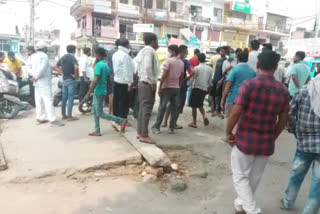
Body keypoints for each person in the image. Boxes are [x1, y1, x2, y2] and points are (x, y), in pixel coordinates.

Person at [226, 51, 290, 214]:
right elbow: (283, 119)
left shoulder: (249, 85)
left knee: (240, 176)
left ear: (257, 65)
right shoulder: (282, 90)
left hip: (245, 140)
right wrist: (273, 136)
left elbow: (235, 112)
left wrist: (228, 132)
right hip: (266, 142)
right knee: (254, 178)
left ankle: (252, 210)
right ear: (275, 67)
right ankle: (240, 205)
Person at [281, 75, 320, 214]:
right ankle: (310, 211)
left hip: (304, 143)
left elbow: (290, 113)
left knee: (297, 174)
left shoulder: (303, 91)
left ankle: (287, 202)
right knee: (318, 182)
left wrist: (294, 130)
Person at [85, 47, 127, 136]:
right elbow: (108, 79)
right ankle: (97, 130)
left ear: (98, 55)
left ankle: (120, 120)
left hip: (98, 92)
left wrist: (88, 93)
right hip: (102, 91)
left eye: (95, 54)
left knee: (100, 113)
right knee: (95, 111)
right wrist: (108, 91)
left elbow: (96, 80)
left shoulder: (99, 65)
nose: (94, 55)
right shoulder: (105, 65)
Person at [151, 45, 184, 134]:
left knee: (162, 107)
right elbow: (181, 77)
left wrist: (160, 86)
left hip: (167, 87)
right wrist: (179, 86)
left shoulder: (168, 61)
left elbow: (164, 74)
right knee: (174, 108)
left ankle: (157, 127)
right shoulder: (181, 62)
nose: (168, 53)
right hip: (176, 88)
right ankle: (171, 128)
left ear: (173, 51)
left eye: (169, 51)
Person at [30, 41, 64, 127]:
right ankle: (52, 120)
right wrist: (37, 76)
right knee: (48, 101)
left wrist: (33, 76)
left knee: (39, 101)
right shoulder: (44, 56)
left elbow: (28, 67)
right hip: (43, 82)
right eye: (46, 48)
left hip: (36, 82)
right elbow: (42, 68)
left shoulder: (32, 56)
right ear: (44, 48)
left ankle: (40, 118)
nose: (47, 49)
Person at [135, 33, 160, 144]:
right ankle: (144, 135)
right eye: (157, 41)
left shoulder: (143, 50)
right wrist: (152, 82)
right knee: (146, 109)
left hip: (142, 81)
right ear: (153, 41)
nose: (157, 43)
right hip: (147, 83)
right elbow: (148, 66)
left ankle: (140, 132)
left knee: (142, 108)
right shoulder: (149, 51)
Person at [162, 45, 194, 129]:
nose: (187, 53)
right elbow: (193, 71)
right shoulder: (185, 62)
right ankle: (174, 124)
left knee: (170, 104)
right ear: (182, 51)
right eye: (186, 52)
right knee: (178, 105)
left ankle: (165, 122)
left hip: (170, 85)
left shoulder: (171, 60)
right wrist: (186, 79)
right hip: (181, 86)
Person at [220, 52, 256, 118]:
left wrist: (222, 100)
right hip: (247, 100)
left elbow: (227, 86)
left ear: (238, 59)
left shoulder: (234, 70)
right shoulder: (253, 72)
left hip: (233, 99)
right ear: (247, 59)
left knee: (230, 120)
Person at [112, 38, 135, 123]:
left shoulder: (115, 54)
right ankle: (123, 121)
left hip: (116, 80)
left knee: (116, 102)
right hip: (124, 82)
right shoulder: (126, 56)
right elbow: (128, 71)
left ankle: (116, 119)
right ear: (126, 45)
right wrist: (130, 84)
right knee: (124, 103)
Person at [55, 45, 79, 121]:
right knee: (71, 98)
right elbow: (76, 67)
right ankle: (69, 116)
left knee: (64, 98)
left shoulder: (63, 57)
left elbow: (55, 66)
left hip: (64, 79)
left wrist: (61, 73)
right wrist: (76, 75)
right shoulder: (72, 57)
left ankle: (64, 115)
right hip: (71, 79)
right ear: (74, 50)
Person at [188, 53, 212, 128]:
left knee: (194, 106)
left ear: (198, 59)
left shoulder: (196, 68)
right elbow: (210, 81)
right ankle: (204, 116)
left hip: (196, 88)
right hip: (204, 89)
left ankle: (194, 122)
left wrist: (188, 84)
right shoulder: (209, 69)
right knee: (200, 104)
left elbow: (192, 79)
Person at [211, 46, 227, 117]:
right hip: (215, 79)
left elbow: (225, 72)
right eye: (221, 51)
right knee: (214, 95)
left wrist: (222, 80)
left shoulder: (226, 60)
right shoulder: (218, 60)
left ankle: (219, 110)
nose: (221, 52)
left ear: (226, 52)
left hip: (221, 80)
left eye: (223, 51)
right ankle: (215, 110)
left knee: (219, 95)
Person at [106, 39, 120, 114]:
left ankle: (110, 112)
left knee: (110, 94)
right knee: (116, 95)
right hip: (116, 76)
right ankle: (114, 112)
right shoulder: (119, 52)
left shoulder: (110, 51)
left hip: (109, 75)